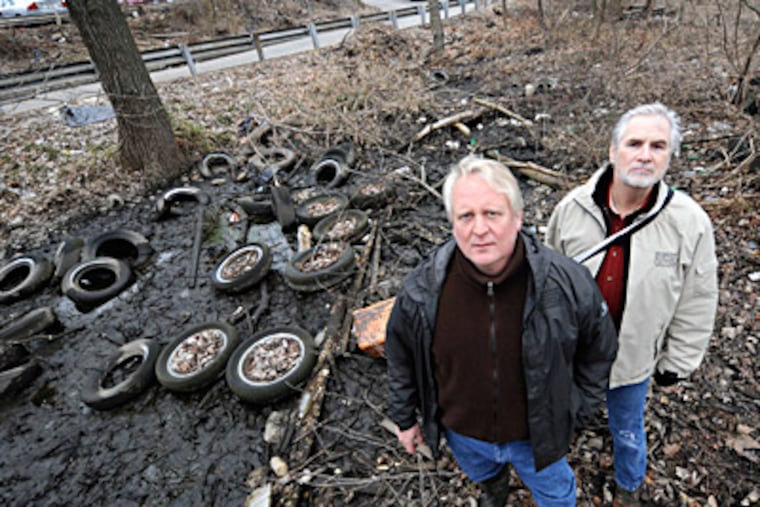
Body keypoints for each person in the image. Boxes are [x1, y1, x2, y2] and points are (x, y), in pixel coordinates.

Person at [386, 155, 619, 507]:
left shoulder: (565, 282)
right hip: (464, 435)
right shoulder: (422, 289)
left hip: (537, 438)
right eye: (466, 216)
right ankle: (494, 490)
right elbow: (400, 354)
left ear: (517, 217)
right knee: (484, 476)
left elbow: (600, 347)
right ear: (452, 224)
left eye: (492, 213)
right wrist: (404, 418)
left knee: (556, 495)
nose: (479, 229)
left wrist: (576, 411)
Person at [546, 103, 719, 506]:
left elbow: (698, 298)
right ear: (612, 151)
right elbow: (545, 279)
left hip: (633, 359)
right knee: (558, 416)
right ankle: (554, 475)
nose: (645, 154)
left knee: (627, 428)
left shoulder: (689, 222)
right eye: (634, 143)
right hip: (571, 354)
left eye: (658, 146)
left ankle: (629, 485)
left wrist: (679, 361)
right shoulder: (572, 209)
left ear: (670, 157)